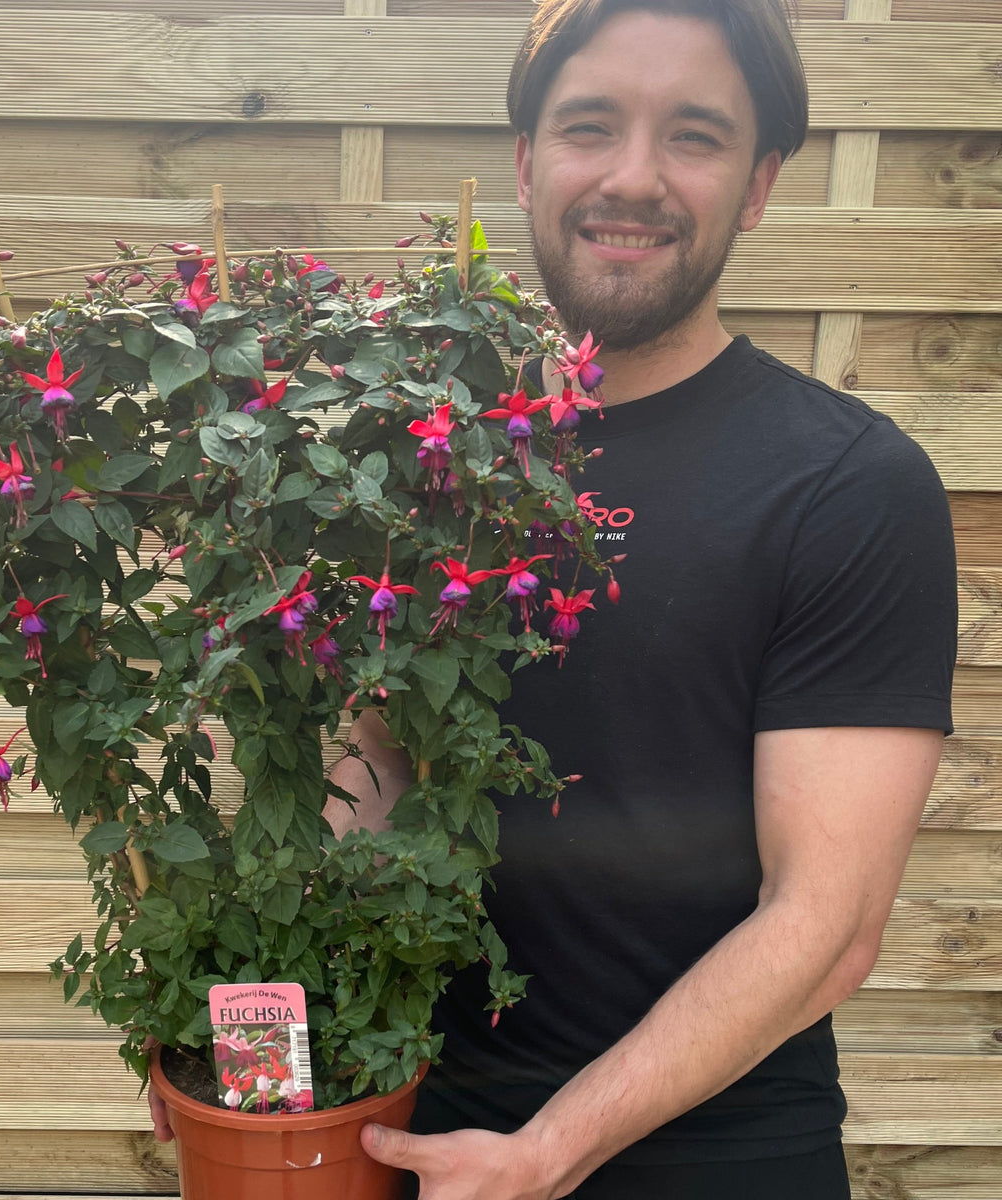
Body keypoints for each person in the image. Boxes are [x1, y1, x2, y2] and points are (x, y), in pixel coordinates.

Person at [151, 2, 958, 1196]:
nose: (632, 177)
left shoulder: (846, 485)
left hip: (710, 1158)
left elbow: (828, 926)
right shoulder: (430, 459)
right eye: (591, 126)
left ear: (758, 185)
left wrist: (547, 1152)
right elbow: (376, 776)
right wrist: (243, 1044)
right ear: (528, 164)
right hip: (413, 1124)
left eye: (693, 135)